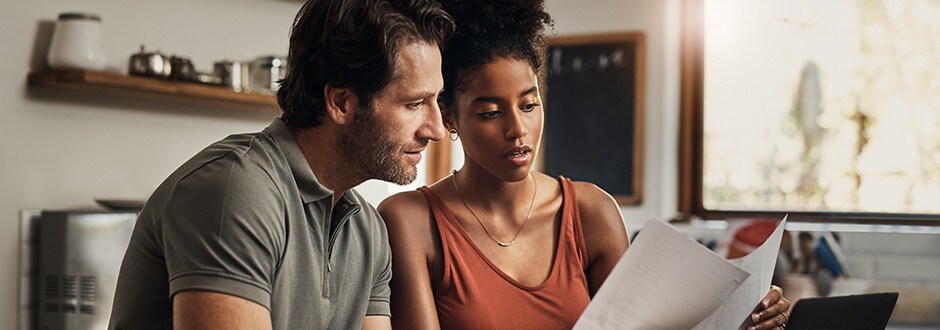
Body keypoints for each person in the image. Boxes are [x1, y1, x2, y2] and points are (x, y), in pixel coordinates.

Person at [377, 0, 790, 329]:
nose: (518, 129)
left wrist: (744, 320)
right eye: (489, 112)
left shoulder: (592, 212)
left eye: (529, 104)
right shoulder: (411, 221)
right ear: (449, 117)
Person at [108, 0, 454, 328]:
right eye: (415, 104)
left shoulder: (367, 230)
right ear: (341, 102)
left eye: (436, 100)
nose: (436, 129)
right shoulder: (235, 190)